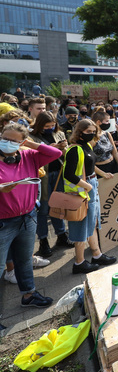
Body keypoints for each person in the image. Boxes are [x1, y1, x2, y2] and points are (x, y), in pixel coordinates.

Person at [0, 122, 61, 309]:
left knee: (25, 259)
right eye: (4, 138)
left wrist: (31, 144)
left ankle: (29, 295)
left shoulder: (29, 156)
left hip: (28, 217)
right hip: (3, 222)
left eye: (13, 140)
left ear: (22, 143)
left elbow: (55, 153)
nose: (7, 142)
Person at [63, 120, 117, 274]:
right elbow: (68, 174)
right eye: (88, 132)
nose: (92, 134)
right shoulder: (74, 150)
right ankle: (79, 262)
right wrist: (87, 186)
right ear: (79, 132)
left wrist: (103, 174)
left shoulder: (87, 146)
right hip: (82, 190)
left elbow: (90, 164)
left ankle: (96, 254)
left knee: (92, 222)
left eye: (94, 131)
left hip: (91, 185)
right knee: (81, 225)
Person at [29, 112, 73, 257]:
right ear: (39, 125)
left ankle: (61, 235)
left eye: (52, 125)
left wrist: (64, 148)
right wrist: (50, 148)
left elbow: (66, 155)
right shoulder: (32, 137)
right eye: (47, 126)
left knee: (58, 205)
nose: (50, 128)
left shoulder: (59, 133)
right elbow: (32, 157)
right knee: (43, 209)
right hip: (43, 177)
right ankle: (43, 241)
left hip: (59, 173)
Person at [91, 112, 118, 176]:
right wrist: (102, 174)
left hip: (113, 165)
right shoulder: (92, 138)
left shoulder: (107, 134)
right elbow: (89, 161)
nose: (109, 123)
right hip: (101, 169)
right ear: (99, 122)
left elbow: (115, 152)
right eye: (107, 121)